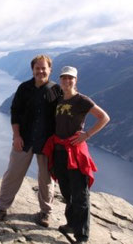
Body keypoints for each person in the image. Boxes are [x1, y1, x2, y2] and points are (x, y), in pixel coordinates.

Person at [0, 54, 62, 227]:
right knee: (13, 173)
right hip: (24, 139)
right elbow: (15, 112)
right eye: (37, 68)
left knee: (46, 178)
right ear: (33, 69)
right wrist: (16, 136)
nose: (40, 71)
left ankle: (45, 212)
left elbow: (64, 115)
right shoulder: (24, 88)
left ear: (50, 70)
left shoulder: (56, 90)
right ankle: (1, 208)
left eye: (44, 68)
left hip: (46, 142)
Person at [42, 66, 110, 244]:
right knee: (66, 191)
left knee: (80, 194)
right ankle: (71, 224)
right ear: (60, 80)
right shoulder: (58, 99)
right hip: (59, 150)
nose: (67, 81)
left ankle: (82, 236)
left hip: (75, 152)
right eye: (64, 78)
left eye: (70, 78)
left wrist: (86, 135)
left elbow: (104, 117)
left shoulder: (82, 100)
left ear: (75, 80)